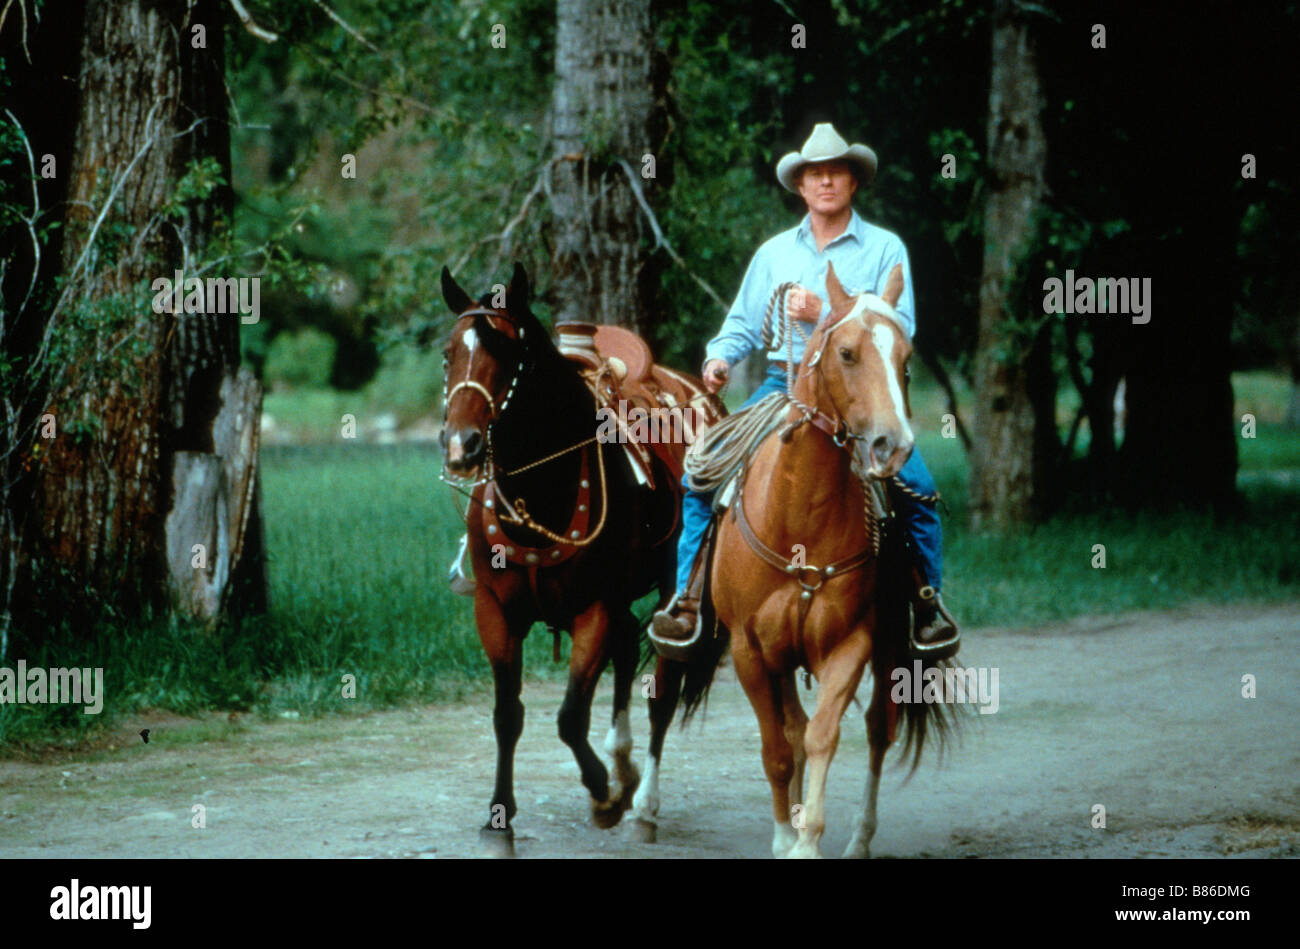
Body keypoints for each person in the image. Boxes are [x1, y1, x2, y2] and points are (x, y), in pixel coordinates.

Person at [651, 122, 960, 654]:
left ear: (853, 182)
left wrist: (824, 313)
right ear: (800, 186)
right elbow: (743, 322)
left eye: (836, 172)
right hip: (783, 384)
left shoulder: (886, 248)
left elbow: (900, 326)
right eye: (815, 174)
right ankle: (688, 597)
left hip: (862, 390)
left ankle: (925, 602)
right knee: (702, 472)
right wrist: (720, 356)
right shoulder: (774, 253)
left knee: (917, 487)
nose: (825, 182)